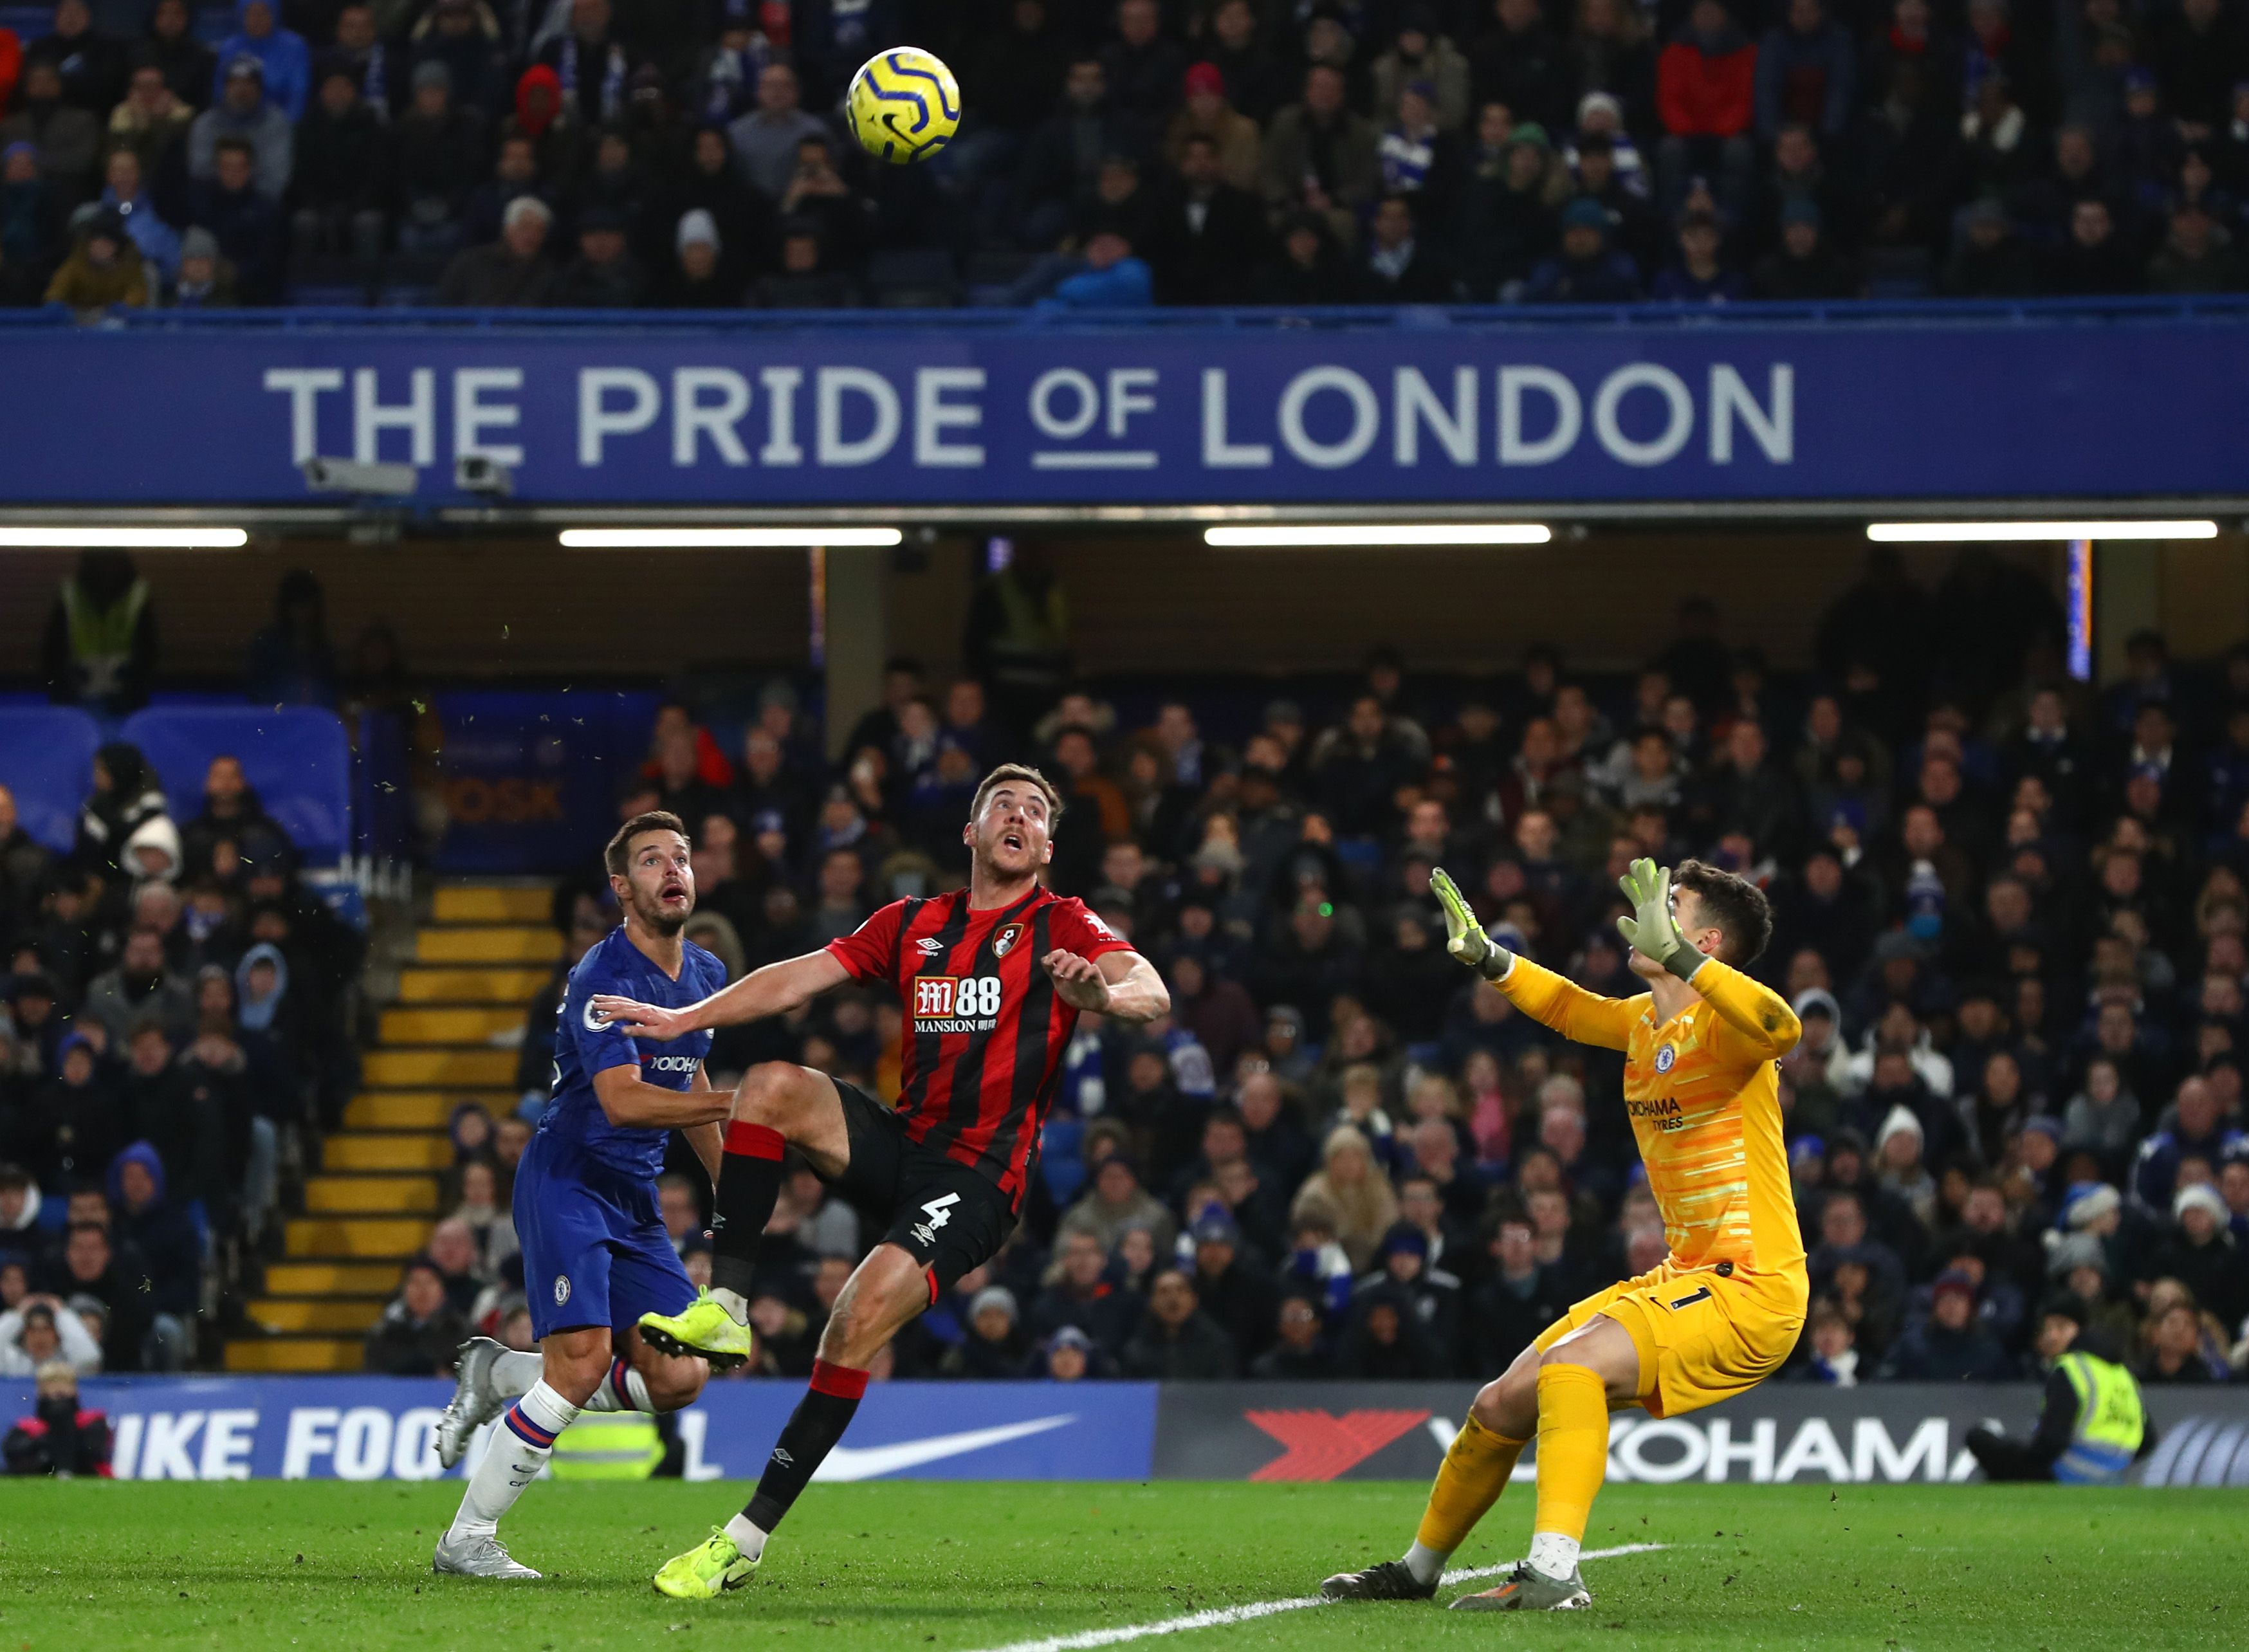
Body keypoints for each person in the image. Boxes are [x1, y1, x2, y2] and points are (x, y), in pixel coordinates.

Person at [590, 764, 1169, 1601]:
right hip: (907, 1144)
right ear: (970, 835)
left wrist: (1106, 998)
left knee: (853, 1321)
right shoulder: (916, 923)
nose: (1018, 815)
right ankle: (731, 1306)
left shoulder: (1062, 924)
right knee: (770, 1085)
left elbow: (1149, 987)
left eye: (1036, 810)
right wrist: (684, 1020)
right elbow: (797, 976)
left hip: (980, 1176)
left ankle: (743, 1540)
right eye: (1000, 805)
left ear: (1047, 846)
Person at [1324, 858, 1803, 1612]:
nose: (1643, 912)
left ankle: (1554, 1572)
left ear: (1707, 941)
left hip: (1752, 1286)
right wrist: (1489, 958)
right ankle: (1416, 1572)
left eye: (1668, 905)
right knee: (1499, 1404)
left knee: (1571, 1370)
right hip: (1687, 1275)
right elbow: (1569, 1007)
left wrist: (1681, 961)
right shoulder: (1645, 1025)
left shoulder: (1729, 1029)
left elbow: (1784, 1026)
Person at [427, 811, 731, 1579]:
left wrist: (735, 1185)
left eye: (682, 857)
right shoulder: (603, 975)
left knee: (679, 1374)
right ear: (622, 888)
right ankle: (465, 1541)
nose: (673, 869)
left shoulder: (706, 976)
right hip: (568, 1177)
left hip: (634, 1194)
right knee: (582, 1360)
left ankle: (499, 1377)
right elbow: (627, 1101)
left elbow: (685, 1073)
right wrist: (741, 1105)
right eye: (653, 859)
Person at [1964, 1296, 2149, 1482]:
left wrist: (2023, 1456)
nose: (2052, 1336)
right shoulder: (2123, 1374)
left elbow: (2051, 1442)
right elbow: (2148, 1439)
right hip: (2113, 1477)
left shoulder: (2072, 1368)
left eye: (2061, 1327)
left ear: (2081, 1330)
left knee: (1980, 1440)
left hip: (2066, 1472)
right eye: (2047, 1329)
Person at [3, 1359, 111, 1476]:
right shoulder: (27, 1427)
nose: (57, 1388)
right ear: (40, 1390)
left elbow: (93, 1452)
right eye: (50, 1384)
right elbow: (13, 1454)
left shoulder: (92, 1421)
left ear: (75, 1389)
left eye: (64, 1383)